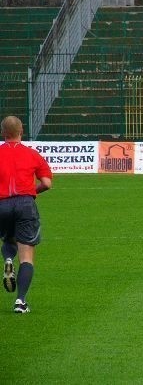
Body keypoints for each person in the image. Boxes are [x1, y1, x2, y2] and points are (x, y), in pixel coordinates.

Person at [0, 116, 53, 313]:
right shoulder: (32, 154)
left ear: (3, 133)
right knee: (27, 257)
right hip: (25, 204)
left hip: (2, 203)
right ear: (21, 131)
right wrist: (32, 192)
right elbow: (47, 183)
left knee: (8, 238)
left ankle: (7, 260)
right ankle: (20, 302)